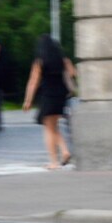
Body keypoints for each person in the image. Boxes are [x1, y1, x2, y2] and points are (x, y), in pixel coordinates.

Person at [22, 34, 75, 170]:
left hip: (48, 95)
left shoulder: (40, 61)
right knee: (53, 126)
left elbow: (33, 81)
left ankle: (53, 161)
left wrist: (28, 100)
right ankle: (65, 151)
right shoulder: (63, 60)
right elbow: (72, 73)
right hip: (61, 95)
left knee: (48, 128)